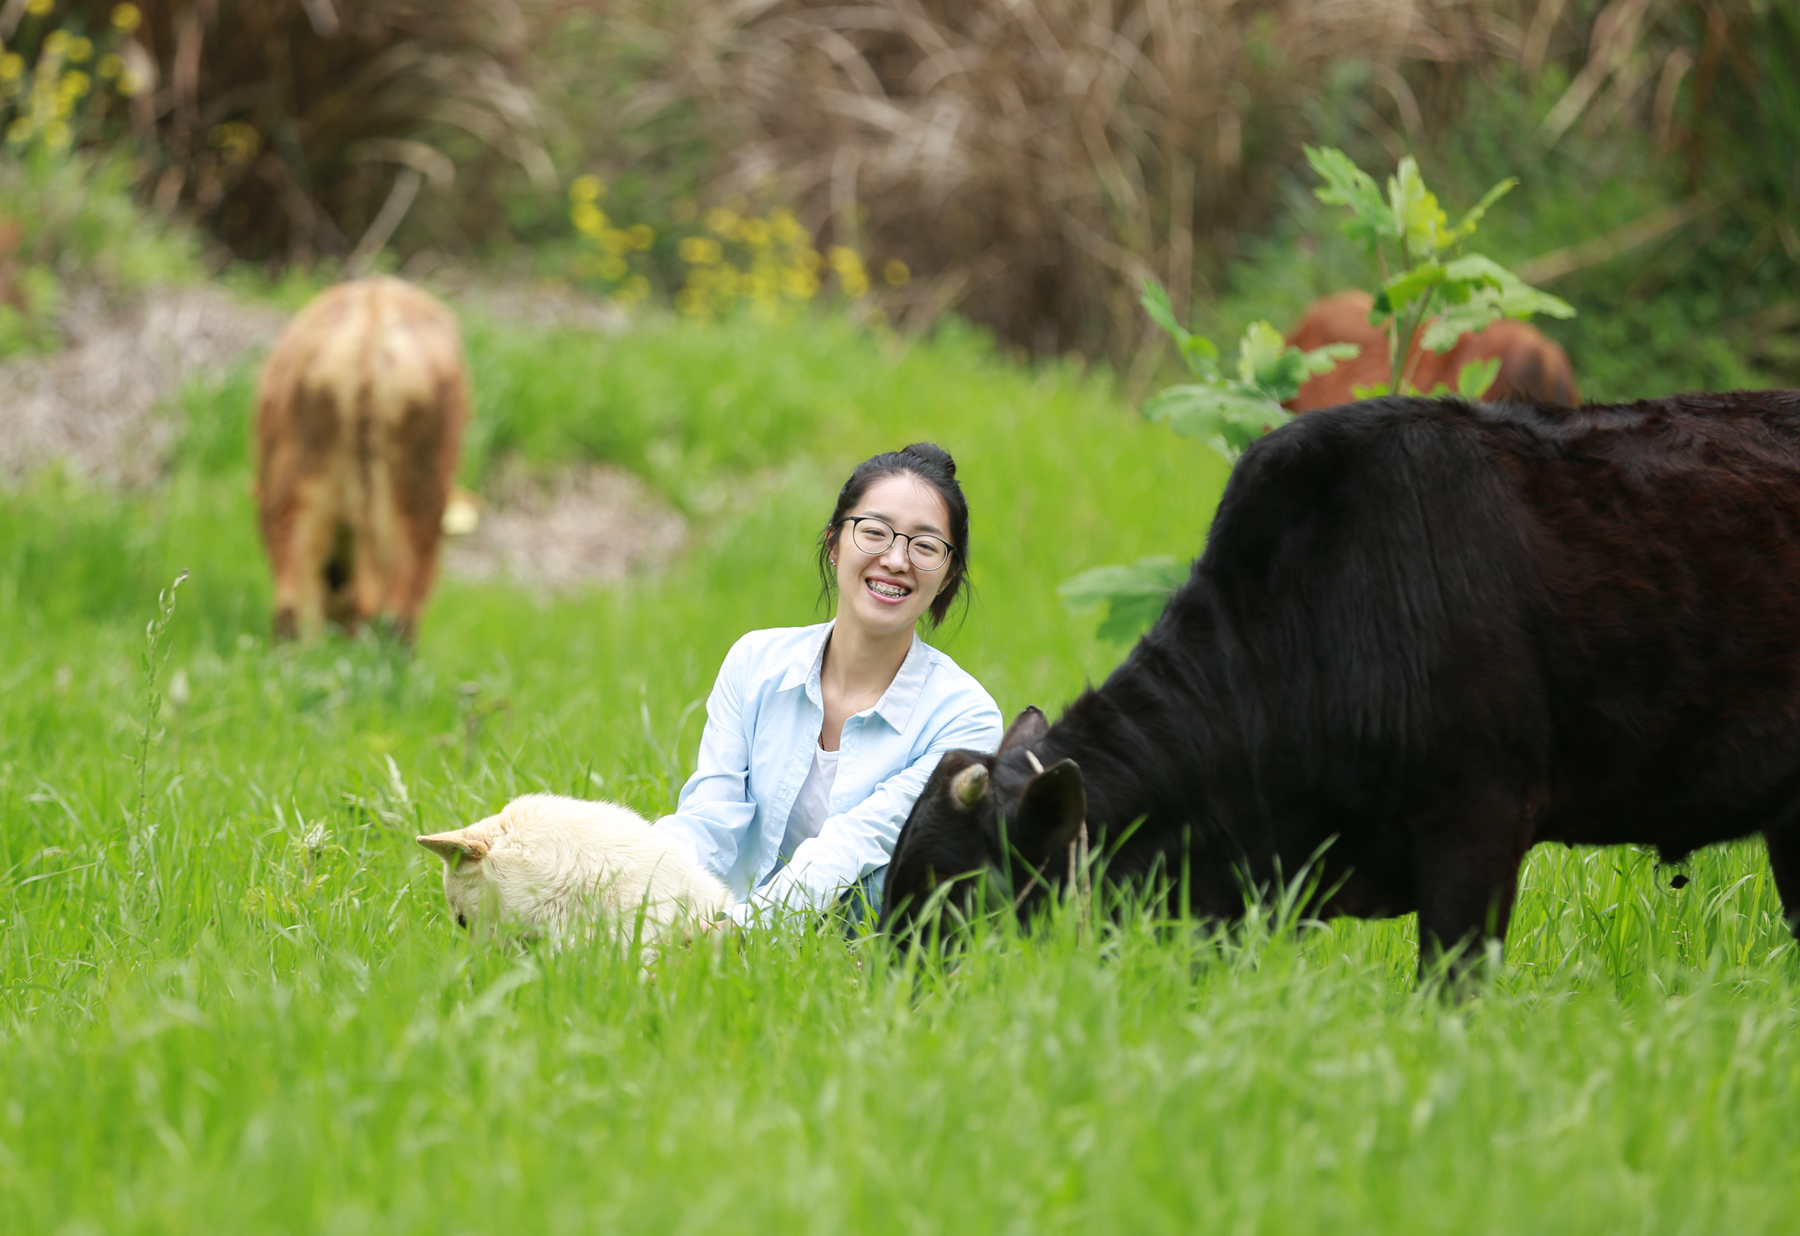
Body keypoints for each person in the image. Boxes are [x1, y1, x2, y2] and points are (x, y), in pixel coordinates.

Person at [657, 443, 1003, 926]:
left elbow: (856, 845)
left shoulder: (965, 718)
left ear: (947, 576)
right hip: (721, 919)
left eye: (925, 546)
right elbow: (710, 820)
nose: (897, 560)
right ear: (834, 543)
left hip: (857, 947)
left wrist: (738, 935)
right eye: (875, 532)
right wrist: (638, 897)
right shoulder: (754, 663)